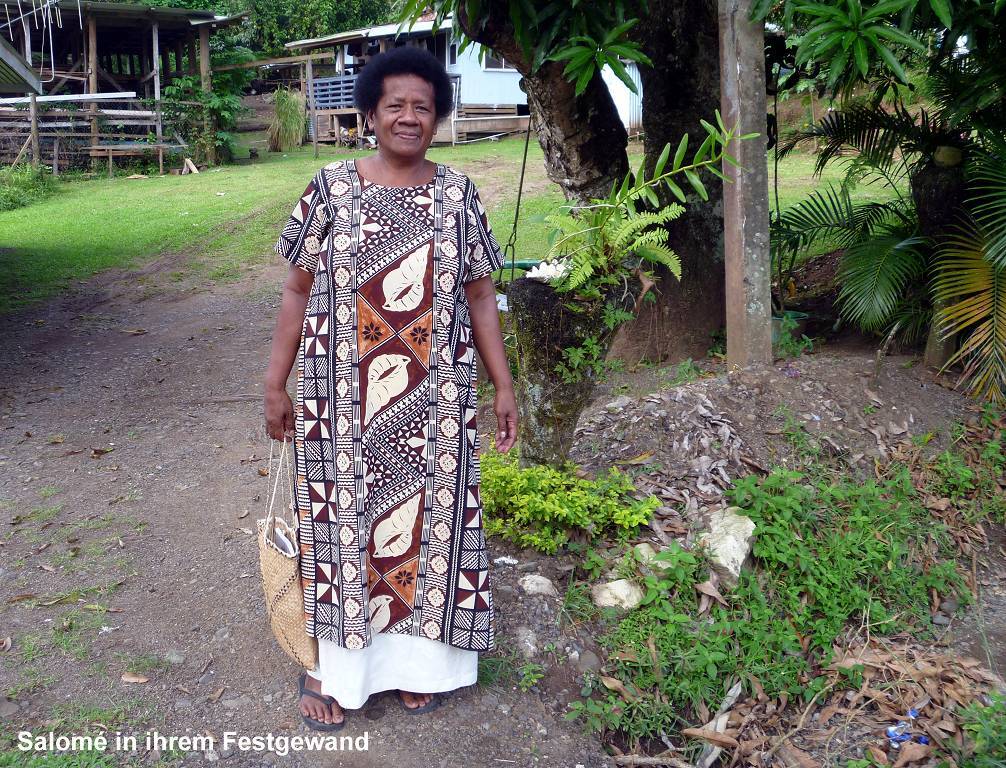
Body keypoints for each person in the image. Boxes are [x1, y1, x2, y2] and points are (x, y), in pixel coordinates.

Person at [263, 45, 518, 730]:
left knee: (429, 529)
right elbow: (296, 290)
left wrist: (502, 384)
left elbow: (482, 297)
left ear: (439, 117)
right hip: (338, 401)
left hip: (435, 402)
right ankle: (330, 667)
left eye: (423, 107)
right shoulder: (330, 188)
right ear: (370, 114)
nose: (409, 117)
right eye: (395, 105)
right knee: (338, 527)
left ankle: (418, 667)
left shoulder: (458, 194)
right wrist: (275, 382)